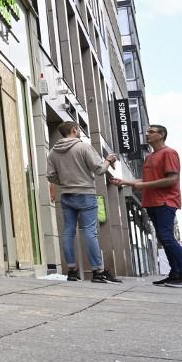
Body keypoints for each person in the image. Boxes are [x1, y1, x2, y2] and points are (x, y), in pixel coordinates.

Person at [46, 121, 122, 283]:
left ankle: (72, 271)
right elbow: (100, 170)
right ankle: (97, 272)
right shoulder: (83, 147)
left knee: (68, 232)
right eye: (78, 129)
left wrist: (66, 182)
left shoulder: (53, 152)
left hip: (67, 195)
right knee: (90, 232)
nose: (79, 131)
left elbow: (51, 176)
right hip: (86, 194)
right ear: (74, 130)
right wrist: (108, 160)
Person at [115, 125, 182, 288]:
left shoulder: (169, 153)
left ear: (161, 135)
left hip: (166, 201)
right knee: (163, 238)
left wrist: (146, 185)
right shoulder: (149, 157)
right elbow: (145, 180)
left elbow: (172, 179)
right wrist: (125, 181)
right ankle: (175, 274)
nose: (146, 134)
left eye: (151, 132)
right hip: (151, 202)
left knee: (167, 237)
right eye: (147, 131)